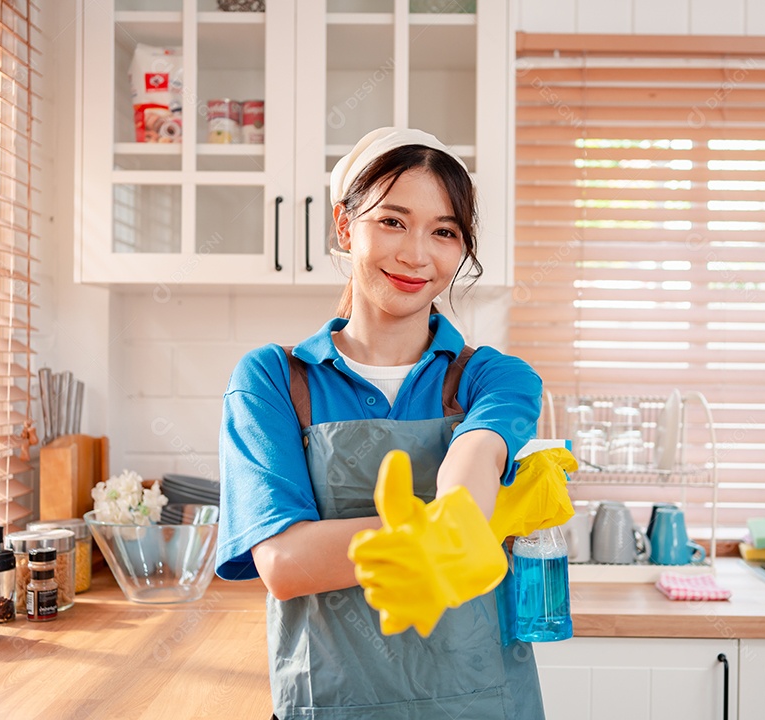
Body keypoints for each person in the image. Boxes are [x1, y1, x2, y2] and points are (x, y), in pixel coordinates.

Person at [216, 127, 560, 719]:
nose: (417, 255)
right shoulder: (275, 380)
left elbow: (475, 456)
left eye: (445, 231)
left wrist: (457, 517)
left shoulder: (495, 377)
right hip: (332, 705)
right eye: (393, 222)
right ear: (346, 226)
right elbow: (283, 564)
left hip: (481, 705)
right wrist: (432, 538)